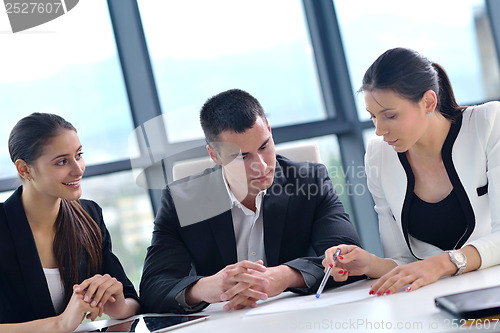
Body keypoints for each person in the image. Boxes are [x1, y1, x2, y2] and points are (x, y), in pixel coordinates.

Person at [140, 89, 363, 314]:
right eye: (242, 157)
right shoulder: (182, 201)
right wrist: (206, 288)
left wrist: (285, 276)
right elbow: (153, 287)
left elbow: (349, 259)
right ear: (214, 155)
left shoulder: (310, 182)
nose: (262, 166)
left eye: (264, 146)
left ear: (268, 128)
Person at [322, 47, 500, 296]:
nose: (379, 130)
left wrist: (443, 264)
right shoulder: (378, 156)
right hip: (428, 299)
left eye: (390, 116)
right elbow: (402, 259)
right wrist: (371, 264)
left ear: (428, 102)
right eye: (373, 117)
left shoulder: (488, 123)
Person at [0, 113, 140, 332]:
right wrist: (60, 324)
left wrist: (118, 306)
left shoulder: (89, 215)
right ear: (24, 169)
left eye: (79, 155)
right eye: (62, 162)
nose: (78, 169)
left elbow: (132, 301)